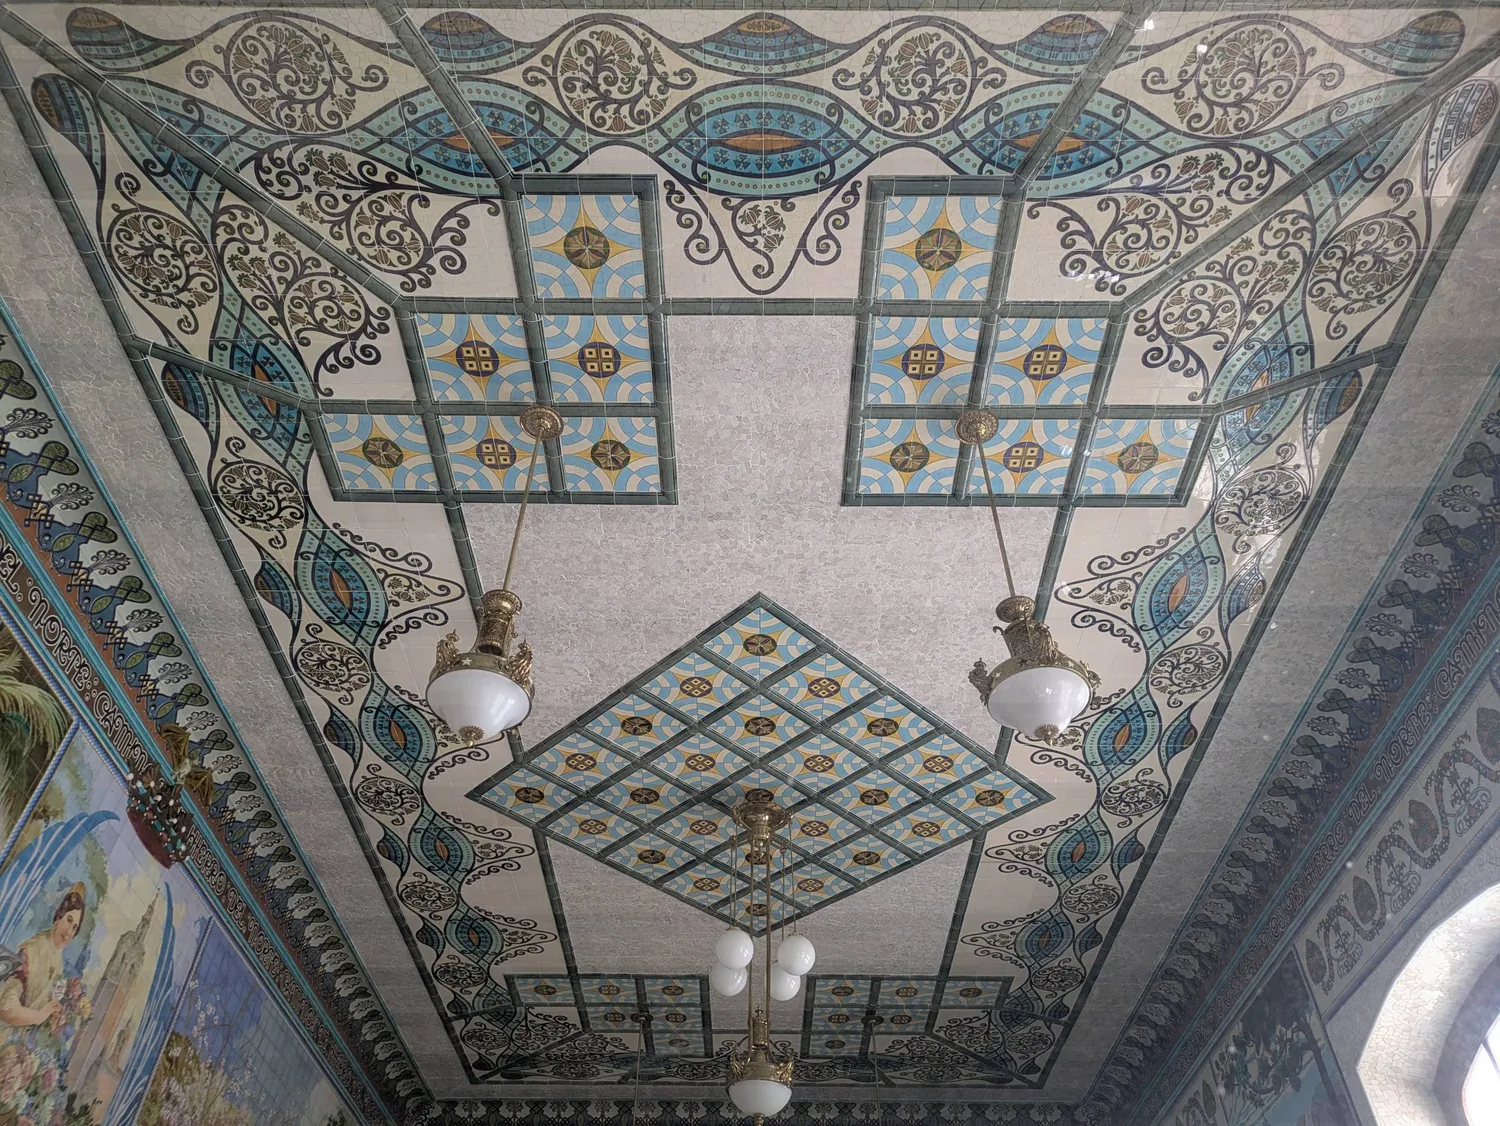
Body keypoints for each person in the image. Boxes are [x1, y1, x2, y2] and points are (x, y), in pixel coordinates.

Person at [0, 884, 85, 1030]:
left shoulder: (58, 959)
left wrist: (53, 1013)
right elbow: (6, 1009)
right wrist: (39, 1016)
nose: (69, 932)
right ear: (58, 917)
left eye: (74, 927)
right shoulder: (33, 950)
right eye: (69, 920)